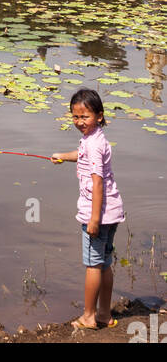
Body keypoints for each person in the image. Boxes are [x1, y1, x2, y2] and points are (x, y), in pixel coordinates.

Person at [51, 88, 124, 329]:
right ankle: (104, 313)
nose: (80, 122)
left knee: (93, 265)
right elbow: (81, 155)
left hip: (98, 215)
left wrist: (93, 219)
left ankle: (89, 316)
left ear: (99, 116)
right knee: (104, 263)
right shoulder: (95, 139)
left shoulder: (93, 145)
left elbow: (97, 182)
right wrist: (63, 156)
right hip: (111, 212)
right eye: (75, 117)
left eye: (85, 116)